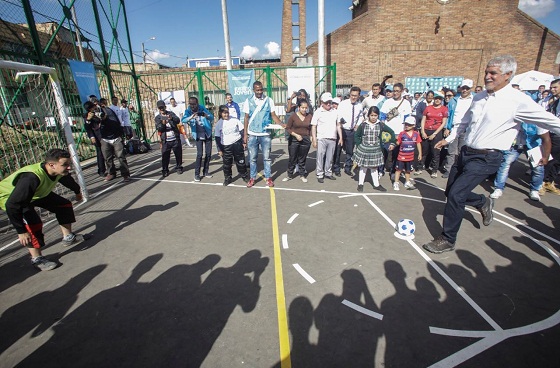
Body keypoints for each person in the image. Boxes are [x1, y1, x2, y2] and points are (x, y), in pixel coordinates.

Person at [423, 55, 560, 254]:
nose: (487, 76)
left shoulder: (518, 101)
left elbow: (551, 121)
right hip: (466, 153)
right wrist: (450, 138)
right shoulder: (479, 97)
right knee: (450, 192)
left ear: (508, 75)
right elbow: (464, 122)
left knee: (456, 194)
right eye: (486, 72)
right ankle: (482, 202)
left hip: (487, 157)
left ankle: (447, 238)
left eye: (493, 73)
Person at [0, 149, 88, 271]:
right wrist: (21, 231)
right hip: (12, 198)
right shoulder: (31, 178)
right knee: (33, 224)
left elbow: (67, 180)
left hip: (36, 194)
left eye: (69, 164)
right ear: (52, 165)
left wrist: (77, 191)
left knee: (64, 205)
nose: (68, 168)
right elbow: (12, 205)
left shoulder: (57, 171)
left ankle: (68, 237)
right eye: (65, 165)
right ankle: (37, 258)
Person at [490, 124, 550, 201]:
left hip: (533, 145)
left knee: (538, 168)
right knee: (505, 165)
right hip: (515, 144)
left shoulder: (538, 119)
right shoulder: (516, 114)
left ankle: (535, 190)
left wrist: (545, 157)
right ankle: (498, 188)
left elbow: (547, 139)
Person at [242, 81, 284, 188]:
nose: (260, 92)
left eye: (261, 89)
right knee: (252, 158)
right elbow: (246, 118)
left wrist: (281, 123)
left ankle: (268, 177)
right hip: (252, 134)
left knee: (267, 157)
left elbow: (273, 115)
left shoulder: (268, 100)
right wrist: (245, 134)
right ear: (253, 90)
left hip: (265, 133)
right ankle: (252, 178)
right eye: (257, 90)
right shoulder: (248, 101)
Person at [84, 101, 130, 182]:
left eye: (93, 108)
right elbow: (88, 127)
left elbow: (116, 122)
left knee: (121, 156)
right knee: (107, 157)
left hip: (115, 136)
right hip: (103, 138)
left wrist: (105, 118)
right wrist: (88, 120)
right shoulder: (88, 115)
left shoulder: (107, 110)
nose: (93, 110)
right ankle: (111, 173)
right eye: (90, 109)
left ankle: (125, 174)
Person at [353, 106, 393, 192]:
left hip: (376, 149)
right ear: (368, 115)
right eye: (371, 115)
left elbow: (392, 132)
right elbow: (357, 135)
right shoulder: (363, 125)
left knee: (374, 168)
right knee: (363, 167)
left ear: (378, 115)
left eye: (375, 115)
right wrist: (359, 144)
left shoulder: (381, 125)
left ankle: (376, 184)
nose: (373, 117)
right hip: (364, 149)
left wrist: (392, 143)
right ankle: (360, 184)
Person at [442, 79, 474, 178]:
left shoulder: (475, 99)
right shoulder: (454, 100)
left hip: (467, 129)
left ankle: (461, 170)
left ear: (470, 89)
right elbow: (449, 115)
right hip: (454, 128)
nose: (464, 90)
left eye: (467, 88)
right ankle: (448, 169)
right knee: (451, 151)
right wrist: (447, 127)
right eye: (463, 88)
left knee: (463, 151)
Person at [380, 83, 412, 176]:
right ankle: (380, 170)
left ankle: (393, 171)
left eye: (397, 91)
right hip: (387, 132)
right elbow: (382, 116)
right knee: (384, 152)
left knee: (396, 154)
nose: (395, 93)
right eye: (394, 90)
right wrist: (383, 129)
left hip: (399, 132)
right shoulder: (387, 102)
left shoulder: (406, 103)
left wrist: (404, 133)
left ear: (402, 91)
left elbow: (407, 119)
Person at [311, 92, 343, 183]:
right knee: (320, 156)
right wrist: (314, 139)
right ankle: (320, 173)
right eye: (326, 102)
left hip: (332, 138)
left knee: (330, 157)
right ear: (322, 102)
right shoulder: (318, 112)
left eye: (330, 102)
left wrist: (340, 137)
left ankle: (328, 173)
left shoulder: (335, 112)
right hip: (321, 138)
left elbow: (338, 125)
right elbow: (313, 126)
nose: (328, 104)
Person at [214, 105, 248, 186]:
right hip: (226, 146)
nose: (226, 115)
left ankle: (244, 175)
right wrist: (219, 149)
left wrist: (244, 142)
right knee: (227, 164)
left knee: (241, 161)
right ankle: (228, 178)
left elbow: (242, 131)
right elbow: (217, 138)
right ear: (220, 113)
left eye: (227, 113)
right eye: (224, 113)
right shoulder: (219, 124)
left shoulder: (234, 120)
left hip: (237, 143)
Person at [333, 86, 364, 177]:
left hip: (352, 131)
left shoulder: (359, 105)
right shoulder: (343, 104)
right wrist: (342, 123)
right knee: (338, 150)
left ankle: (347, 168)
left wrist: (357, 124)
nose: (353, 97)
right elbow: (339, 116)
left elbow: (361, 116)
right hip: (342, 130)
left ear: (359, 96)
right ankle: (336, 168)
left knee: (350, 151)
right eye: (352, 95)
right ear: (349, 94)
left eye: (355, 95)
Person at [182, 96, 214, 181]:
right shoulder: (188, 111)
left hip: (207, 133)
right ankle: (197, 174)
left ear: (197, 103)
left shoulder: (202, 108)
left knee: (208, 154)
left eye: (194, 104)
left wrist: (206, 115)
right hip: (198, 135)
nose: (192, 106)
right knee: (199, 154)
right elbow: (183, 120)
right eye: (191, 104)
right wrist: (191, 117)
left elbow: (211, 117)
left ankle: (206, 171)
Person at [419, 91, 448, 178]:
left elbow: (443, 123)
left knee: (435, 151)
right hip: (426, 130)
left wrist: (435, 134)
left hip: (437, 132)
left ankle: (434, 170)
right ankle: (420, 167)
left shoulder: (444, 109)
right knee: (424, 150)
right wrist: (423, 131)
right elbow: (423, 120)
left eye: (439, 99)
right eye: (436, 98)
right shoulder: (428, 108)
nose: (437, 100)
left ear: (441, 100)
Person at [283, 100, 312, 183]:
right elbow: (288, 128)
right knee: (292, 158)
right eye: (302, 107)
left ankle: (302, 175)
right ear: (298, 107)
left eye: (306, 108)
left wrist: (311, 137)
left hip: (305, 140)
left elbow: (310, 128)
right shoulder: (293, 116)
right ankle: (289, 175)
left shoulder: (309, 116)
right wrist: (295, 135)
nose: (304, 109)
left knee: (302, 158)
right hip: (294, 139)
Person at [392, 116, 422, 191]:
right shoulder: (402, 134)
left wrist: (420, 153)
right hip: (401, 156)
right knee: (398, 170)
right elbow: (398, 142)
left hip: (410, 156)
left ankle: (407, 181)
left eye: (409, 124)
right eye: (405, 124)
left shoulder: (416, 134)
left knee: (408, 170)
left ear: (413, 125)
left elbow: (418, 143)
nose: (406, 126)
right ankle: (396, 182)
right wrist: (393, 144)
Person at [155, 100, 183, 177]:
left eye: (163, 107)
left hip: (175, 138)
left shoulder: (170, 113)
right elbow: (159, 128)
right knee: (165, 156)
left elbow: (178, 120)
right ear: (158, 108)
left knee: (178, 154)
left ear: (165, 107)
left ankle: (179, 167)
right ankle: (165, 170)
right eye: (160, 108)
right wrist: (163, 123)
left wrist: (171, 118)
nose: (162, 109)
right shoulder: (158, 118)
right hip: (165, 140)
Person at [542, 78, 560, 194]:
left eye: (555, 87)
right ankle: (542, 182)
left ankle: (549, 182)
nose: (552, 89)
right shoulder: (550, 100)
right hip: (553, 133)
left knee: (558, 161)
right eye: (551, 87)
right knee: (551, 159)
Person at [83, 96, 106, 177]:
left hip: (104, 134)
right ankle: (101, 170)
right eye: (93, 106)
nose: (95, 106)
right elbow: (87, 128)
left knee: (108, 152)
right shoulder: (87, 115)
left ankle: (111, 168)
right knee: (100, 153)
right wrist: (91, 137)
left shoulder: (99, 109)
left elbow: (103, 118)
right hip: (96, 136)